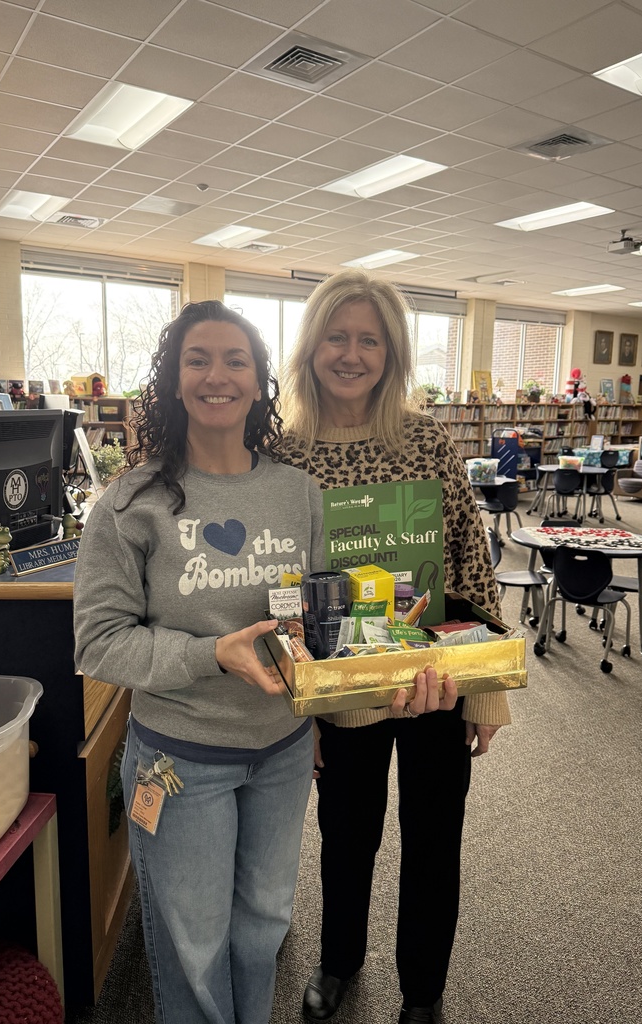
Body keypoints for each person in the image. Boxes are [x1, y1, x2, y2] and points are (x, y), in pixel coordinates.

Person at [73, 300, 326, 1024]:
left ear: (258, 382)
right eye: (198, 360)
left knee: (263, 929)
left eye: (236, 360)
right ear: (173, 383)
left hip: (281, 750)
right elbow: (98, 642)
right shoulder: (129, 503)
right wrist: (213, 654)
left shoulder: (297, 492)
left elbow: (312, 613)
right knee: (194, 946)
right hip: (180, 764)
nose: (218, 375)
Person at [280, 270, 512, 1024]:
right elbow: (278, 585)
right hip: (340, 695)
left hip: (433, 679)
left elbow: (469, 559)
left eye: (368, 339)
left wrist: (486, 688)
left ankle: (424, 990)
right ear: (312, 346)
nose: (351, 353)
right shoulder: (281, 451)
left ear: (392, 351)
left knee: (433, 840)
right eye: (337, 337)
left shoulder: (424, 437)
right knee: (346, 835)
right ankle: (340, 960)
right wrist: (297, 708)